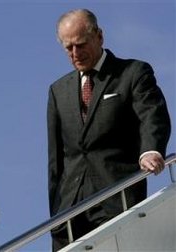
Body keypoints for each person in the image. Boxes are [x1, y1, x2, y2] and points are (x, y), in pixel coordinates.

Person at [47, 9, 171, 251]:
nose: (75, 54)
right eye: (68, 48)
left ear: (99, 36)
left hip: (117, 195)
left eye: (80, 44)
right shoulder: (57, 90)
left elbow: (152, 116)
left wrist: (151, 150)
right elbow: (56, 159)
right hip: (70, 210)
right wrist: (55, 214)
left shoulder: (133, 72)